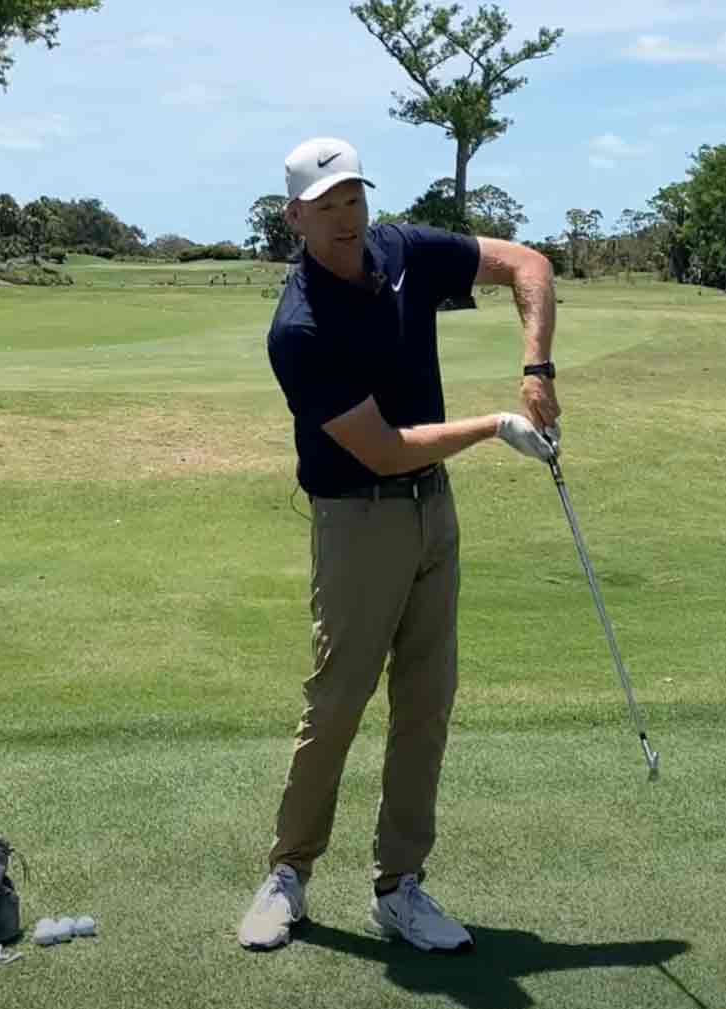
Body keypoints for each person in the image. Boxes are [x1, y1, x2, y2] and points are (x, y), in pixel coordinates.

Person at [238, 136, 561, 953]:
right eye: (326, 207)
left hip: (432, 512)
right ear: (295, 218)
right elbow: (382, 449)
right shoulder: (300, 329)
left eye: (353, 199)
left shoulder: (402, 248)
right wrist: (495, 426)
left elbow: (529, 264)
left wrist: (537, 367)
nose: (346, 219)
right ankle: (288, 873)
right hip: (357, 517)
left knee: (426, 703)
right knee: (338, 703)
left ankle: (400, 886)